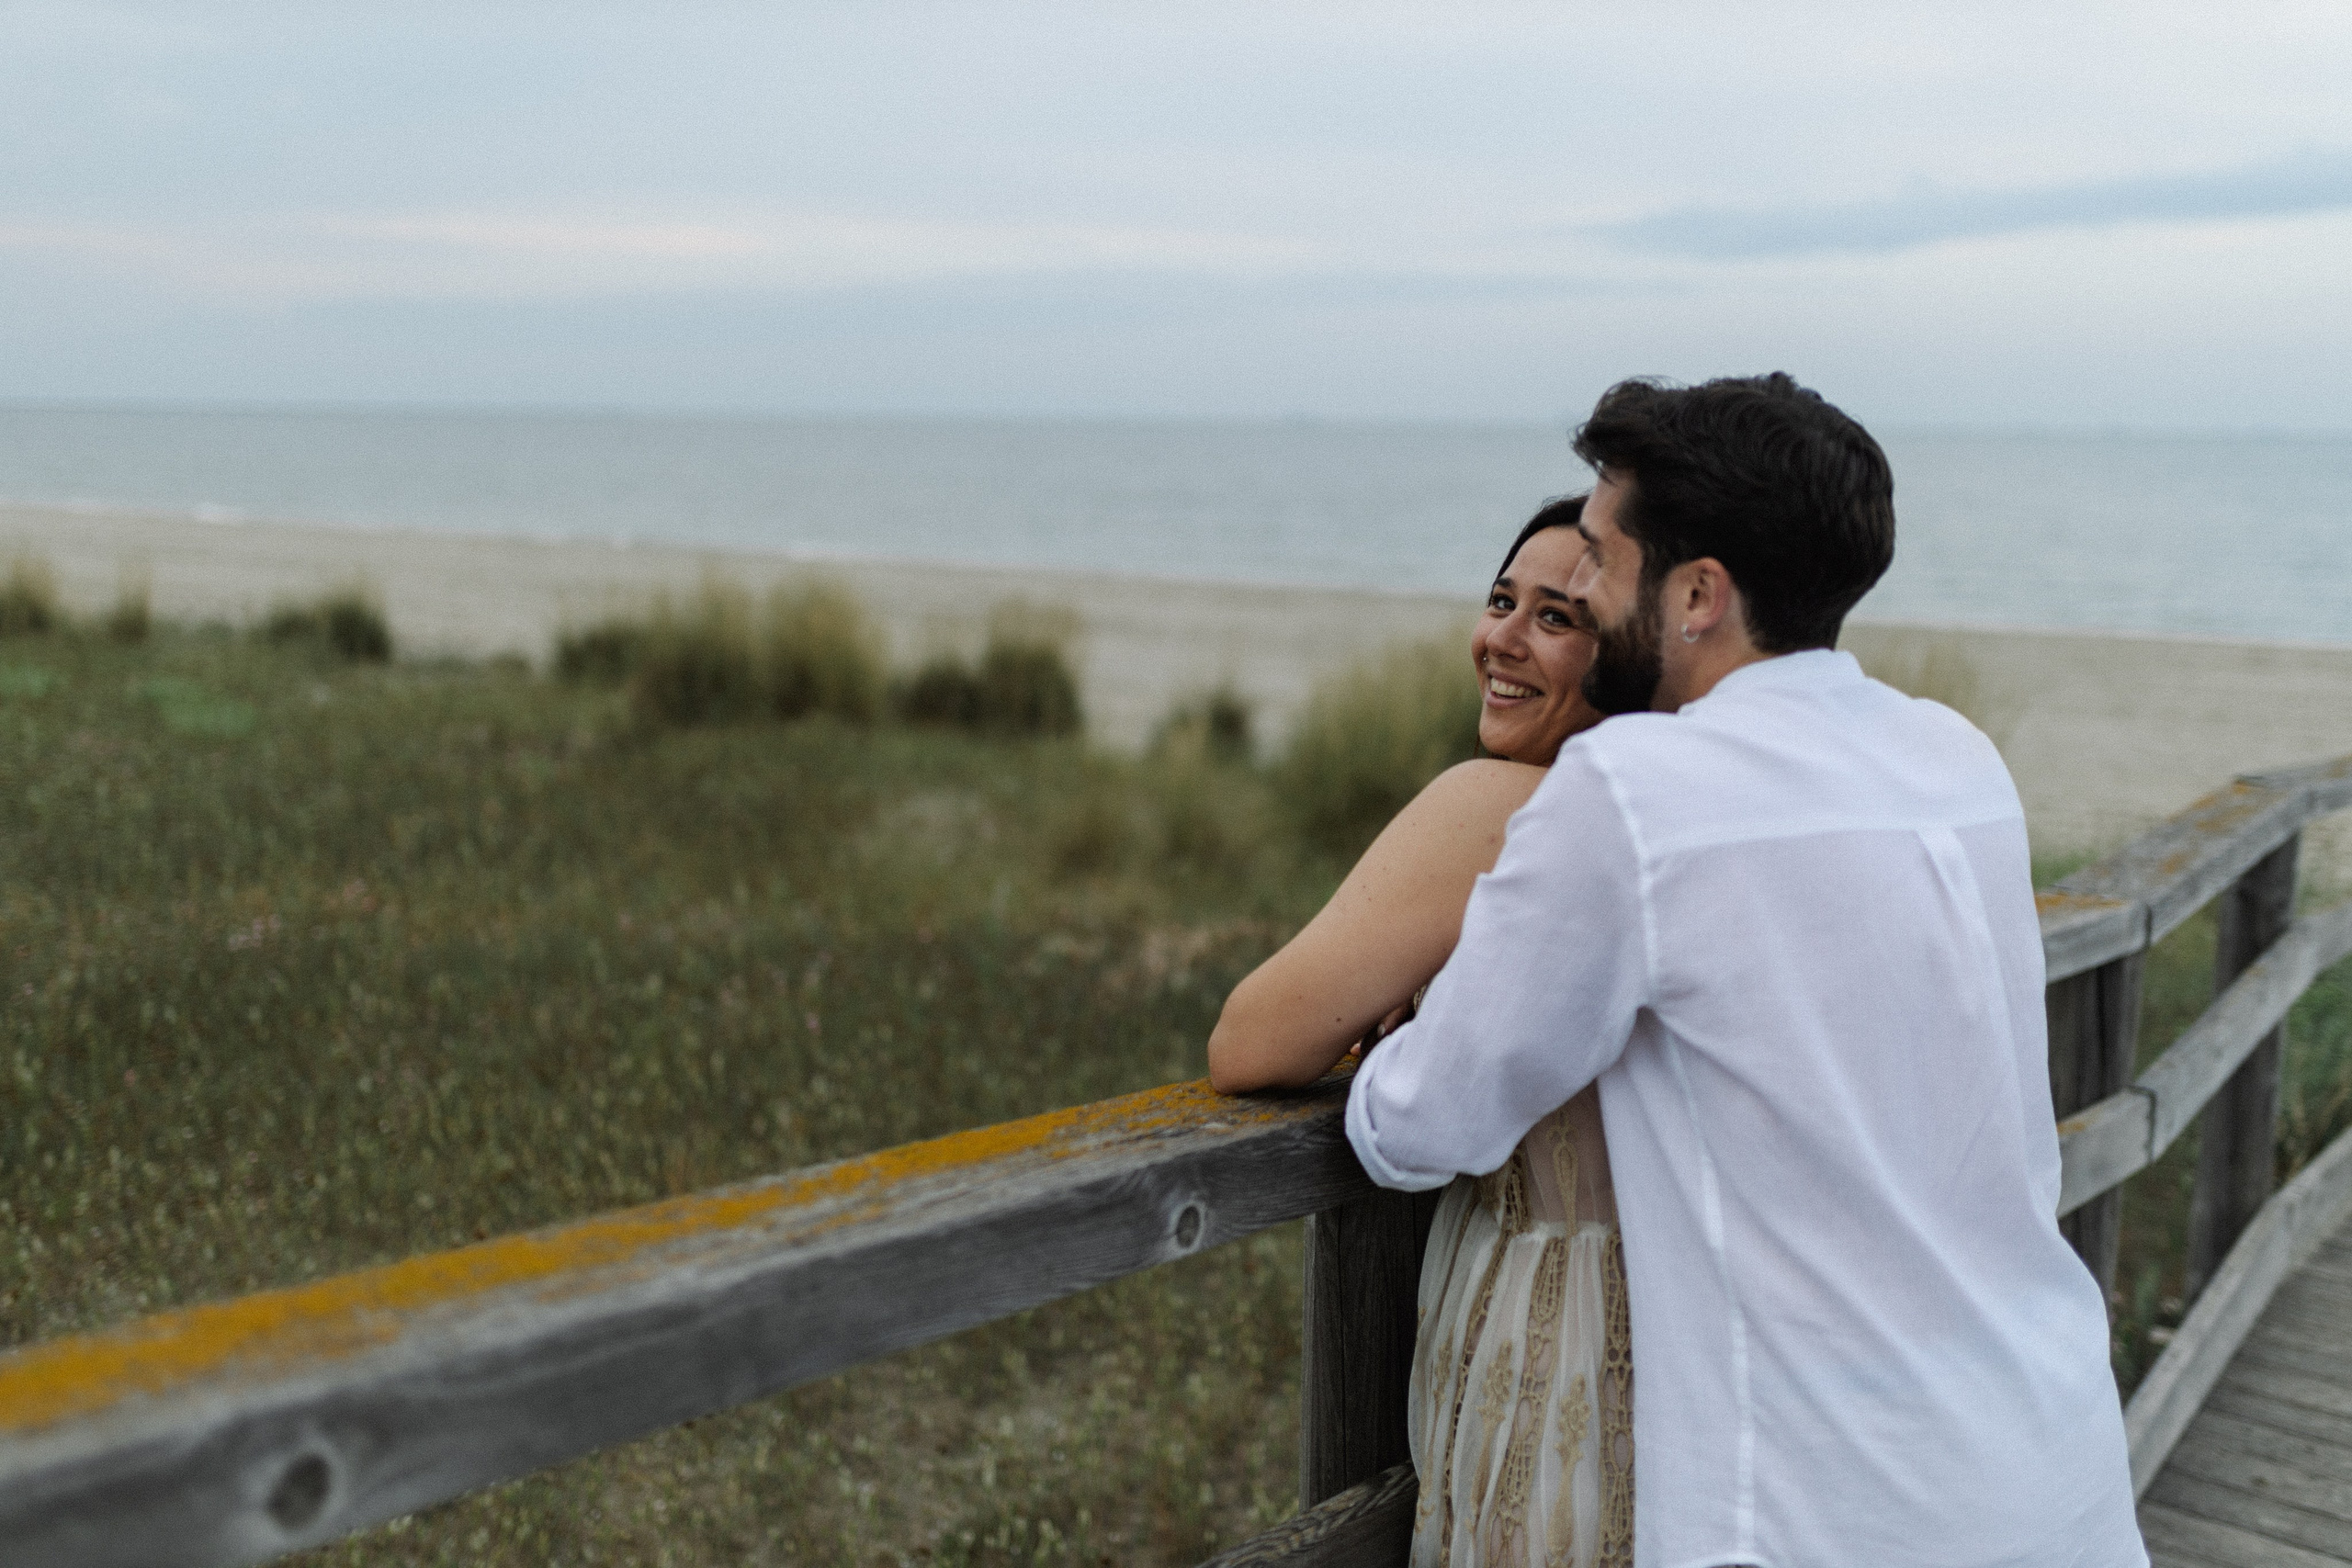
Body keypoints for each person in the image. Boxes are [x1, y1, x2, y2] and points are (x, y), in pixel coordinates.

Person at [1348, 374, 2145, 1567]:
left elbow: (1420, 1122)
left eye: (1606, 565)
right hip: (2055, 1467)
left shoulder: (1629, 793)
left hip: (1823, 1512)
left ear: (1699, 594)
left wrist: (1385, 1050)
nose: (1584, 588)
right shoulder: (1957, 757)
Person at [1209, 493, 1633, 1568]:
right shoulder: (1678, 818)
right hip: (1681, 1333)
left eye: (1556, 617)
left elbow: (1252, 1044)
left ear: (1628, 654)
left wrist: (1387, 1035)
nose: (1500, 638)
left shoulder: (1495, 802)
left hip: (1545, 1327)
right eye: (1500, 601)